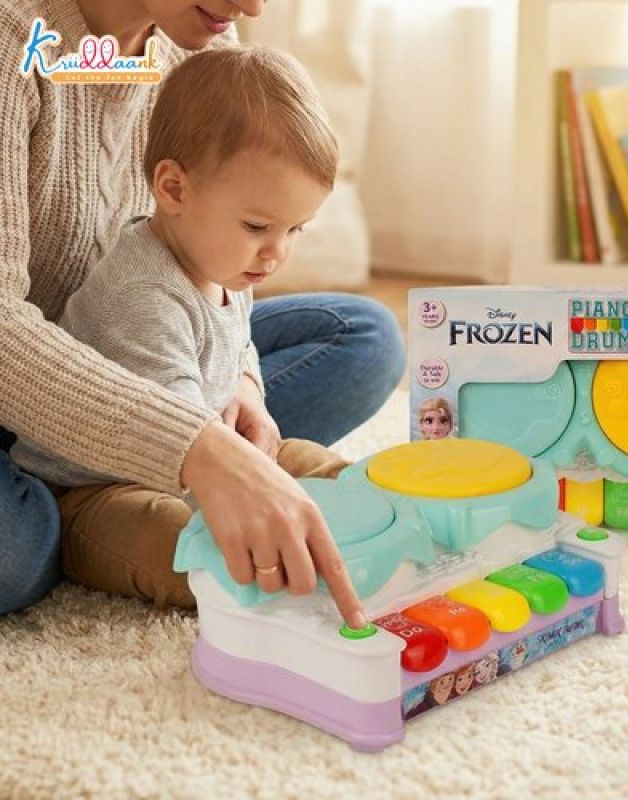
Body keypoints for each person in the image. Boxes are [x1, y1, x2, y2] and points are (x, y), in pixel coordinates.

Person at [0, 0, 405, 623]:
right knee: (13, 554)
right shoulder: (14, 42)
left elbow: (222, 266)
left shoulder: (202, 35)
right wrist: (198, 447)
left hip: (159, 343)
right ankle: (81, 517)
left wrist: (243, 381)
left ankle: (125, 507)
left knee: (365, 338)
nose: (253, 6)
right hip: (22, 392)